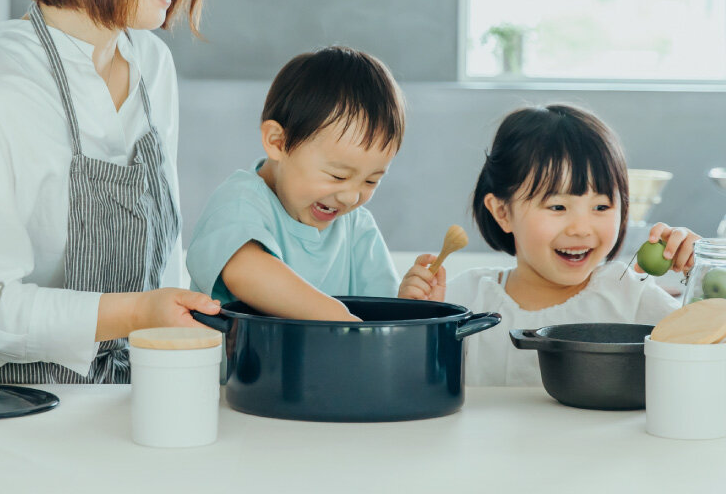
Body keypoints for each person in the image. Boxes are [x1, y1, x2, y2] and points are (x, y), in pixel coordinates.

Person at [0, 0, 220, 384]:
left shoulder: (153, 63)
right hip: (24, 411)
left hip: (135, 394)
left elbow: (164, 262)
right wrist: (135, 314)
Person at [399, 104, 700, 386]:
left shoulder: (631, 298)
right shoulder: (463, 299)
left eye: (601, 207)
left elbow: (708, 353)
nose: (581, 229)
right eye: (557, 207)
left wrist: (705, 274)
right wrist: (415, 323)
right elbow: (410, 384)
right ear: (503, 212)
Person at [186, 46, 405, 321]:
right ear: (278, 142)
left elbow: (378, 314)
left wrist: (407, 301)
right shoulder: (240, 202)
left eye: (371, 180)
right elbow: (246, 273)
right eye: (338, 176)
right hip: (246, 364)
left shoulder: (357, 227)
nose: (351, 197)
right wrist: (334, 317)